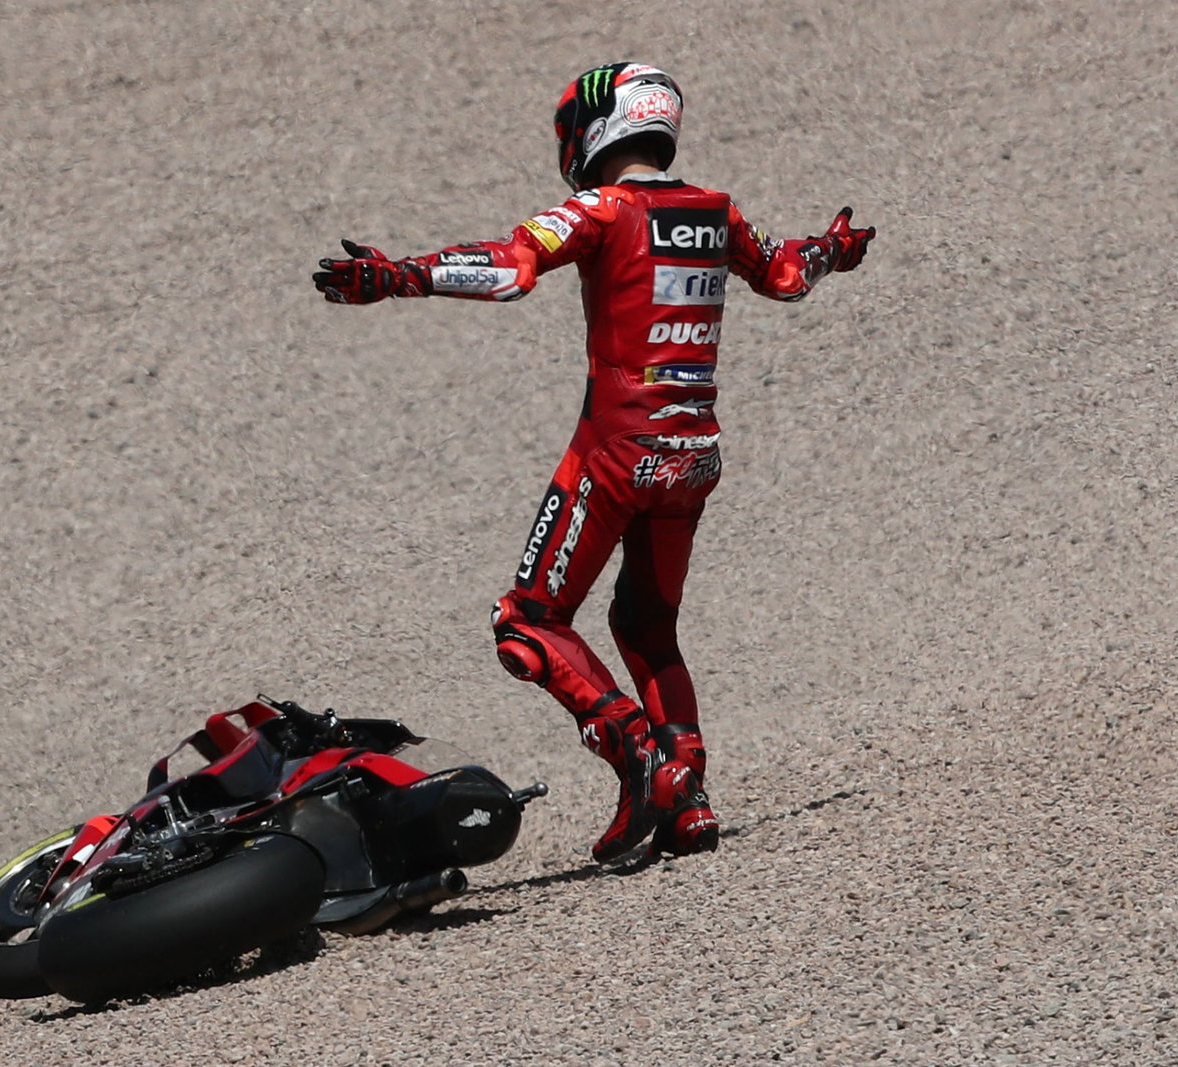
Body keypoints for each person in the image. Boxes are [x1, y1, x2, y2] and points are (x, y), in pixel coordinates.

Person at [312, 62, 874, 864]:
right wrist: (832, 248)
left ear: (597, 128)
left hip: (615, 449)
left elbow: (511, 268)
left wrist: (399, 275)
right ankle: (690, 796)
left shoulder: (602, 207)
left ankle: (639, 760)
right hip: (694, 456)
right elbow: (787, 275)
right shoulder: (714, 212)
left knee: (527, 620)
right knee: (647, 623)